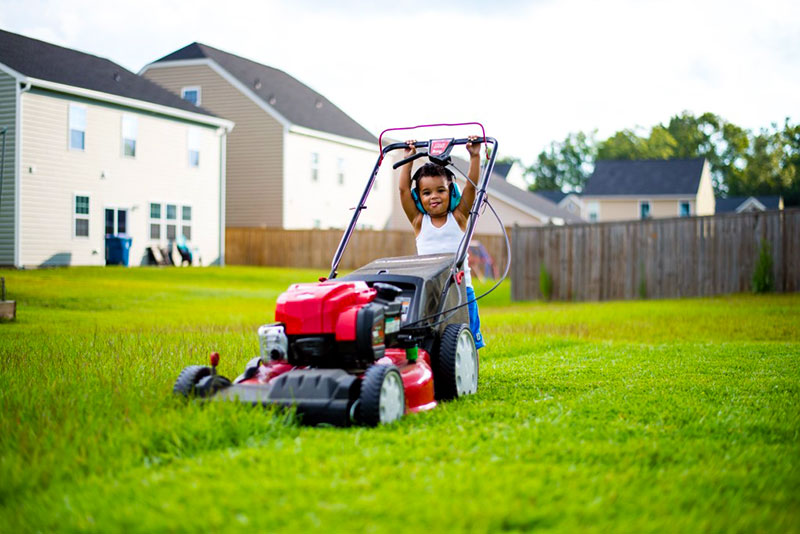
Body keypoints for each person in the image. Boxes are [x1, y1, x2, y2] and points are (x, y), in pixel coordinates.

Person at [397, 136, 485, 349]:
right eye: (426, 193)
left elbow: (471, 188)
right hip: (430, 291)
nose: (433, 197)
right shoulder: (419, 222)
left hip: (462, 290)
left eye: (440, 190)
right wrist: (408, 159)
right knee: (430, 337)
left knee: (467, 339)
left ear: (451, 192)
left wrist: (474, 156)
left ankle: (469, 377)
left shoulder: (459, 217)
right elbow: (402, 191)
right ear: (419, 196)